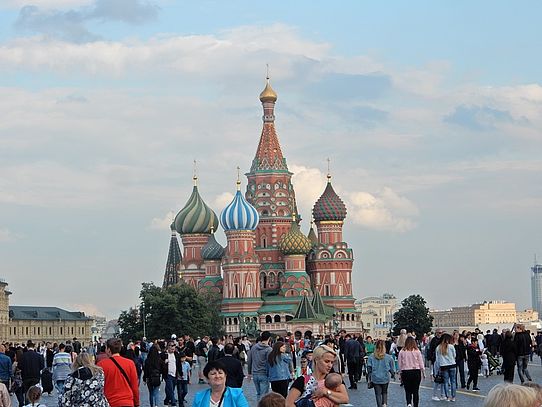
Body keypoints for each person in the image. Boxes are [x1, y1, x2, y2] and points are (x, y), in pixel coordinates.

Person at [97, 338, 139, 407]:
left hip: (110, 402)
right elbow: (134, 386)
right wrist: (136, 403)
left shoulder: (101, 365)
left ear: (109, 350)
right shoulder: (130, 363)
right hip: (127, 402)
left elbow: (99, 387)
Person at [398, 336, 425, 407]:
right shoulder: (417, 351)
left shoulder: (402, 351)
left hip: (406, 372)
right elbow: (421, 363)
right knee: (416, 390)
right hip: (416, 371)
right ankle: (415, 405)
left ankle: (409, 403)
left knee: (408, 390)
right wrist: (423, 372)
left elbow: (399, 363)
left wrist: (400, 372)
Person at [366, 340, 394, 407]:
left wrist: (369, 376)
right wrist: (393, 374)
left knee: (378, 394)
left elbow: (369, 369)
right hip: (385, 377)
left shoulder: (371, 357)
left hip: (375, 378)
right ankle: (384, 404)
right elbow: (391, 369)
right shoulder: (388, 357)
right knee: (384, 392)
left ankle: (379, 406)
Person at [248, 331, 272, 400]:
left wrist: (249, 373)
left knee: (258, 394)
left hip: (255, 374)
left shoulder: (253, 347)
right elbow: (269, 363)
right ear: (269, 338)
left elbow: (249, 360)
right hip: (264, 374)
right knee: (264, 395)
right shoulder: (269, 349)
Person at [435, 333, 457, 402]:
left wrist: (438, 368)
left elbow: (437, 359)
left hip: (443, 366)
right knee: (453, 381)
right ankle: (453, 397)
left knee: (446, 382)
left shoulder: (438, 347)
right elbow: (454, 355)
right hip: (452, 365)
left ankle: (447, 397)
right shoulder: (451, 346)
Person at [161, 341, 181, 407]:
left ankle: (166, 401)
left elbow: (178, 364)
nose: (173, 348)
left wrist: (180, 373)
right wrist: (164, 362)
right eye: (171, 346)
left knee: (170, 389)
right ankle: (173, 402)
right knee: (170, 388)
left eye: (174, 346)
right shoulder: (164, 354)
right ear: (168, 347)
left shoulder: (176, 354)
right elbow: (159, 363)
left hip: (174, 374)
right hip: (167, 374)